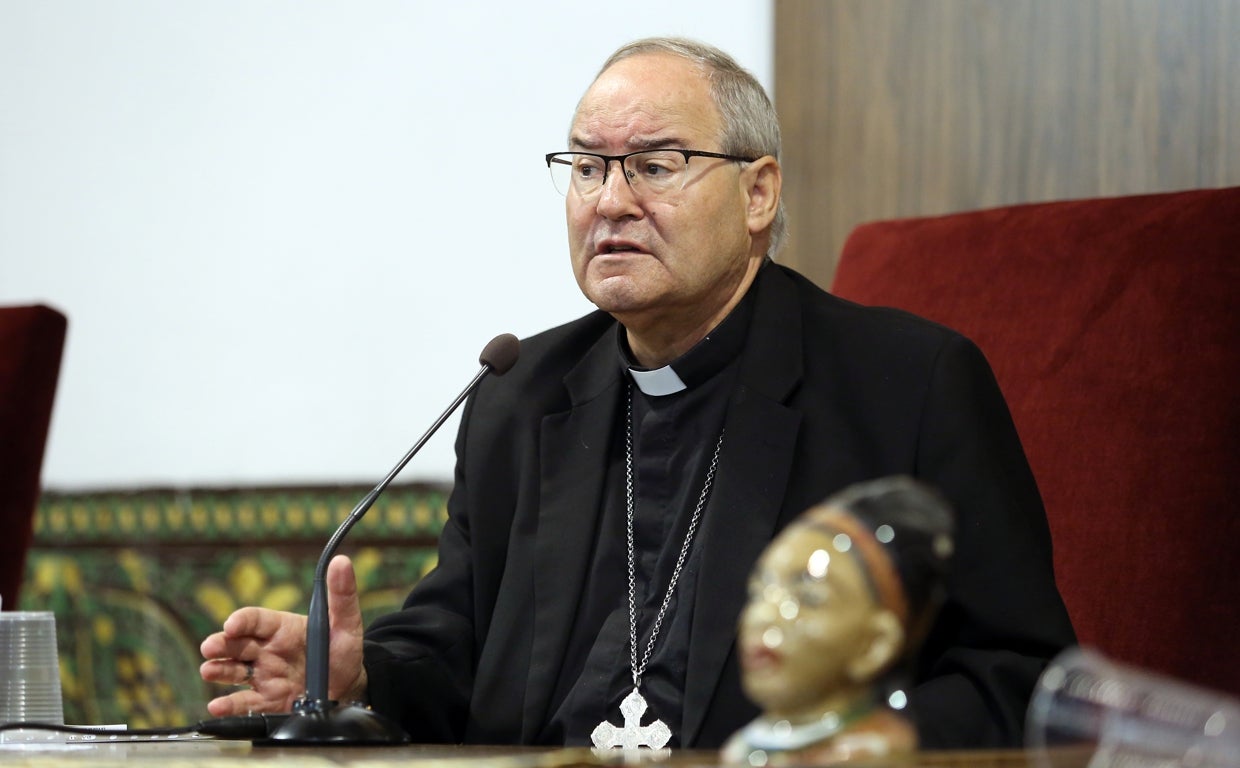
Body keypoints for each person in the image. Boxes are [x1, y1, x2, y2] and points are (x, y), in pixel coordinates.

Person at [200, 36, 1075, 750]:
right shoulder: (519, 396)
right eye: (587, 167)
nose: (610, 201)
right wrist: (358, 676)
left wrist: (846, 745)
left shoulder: (904, 384)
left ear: (758, 193)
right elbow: (451, 655)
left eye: (655, 165)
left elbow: (1017, 677)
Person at [722, 477, 954, 764]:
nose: (762, 615)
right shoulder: (749, 748)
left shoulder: (868, 756)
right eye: (759, 592)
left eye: (809, 597)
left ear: (875, 645)